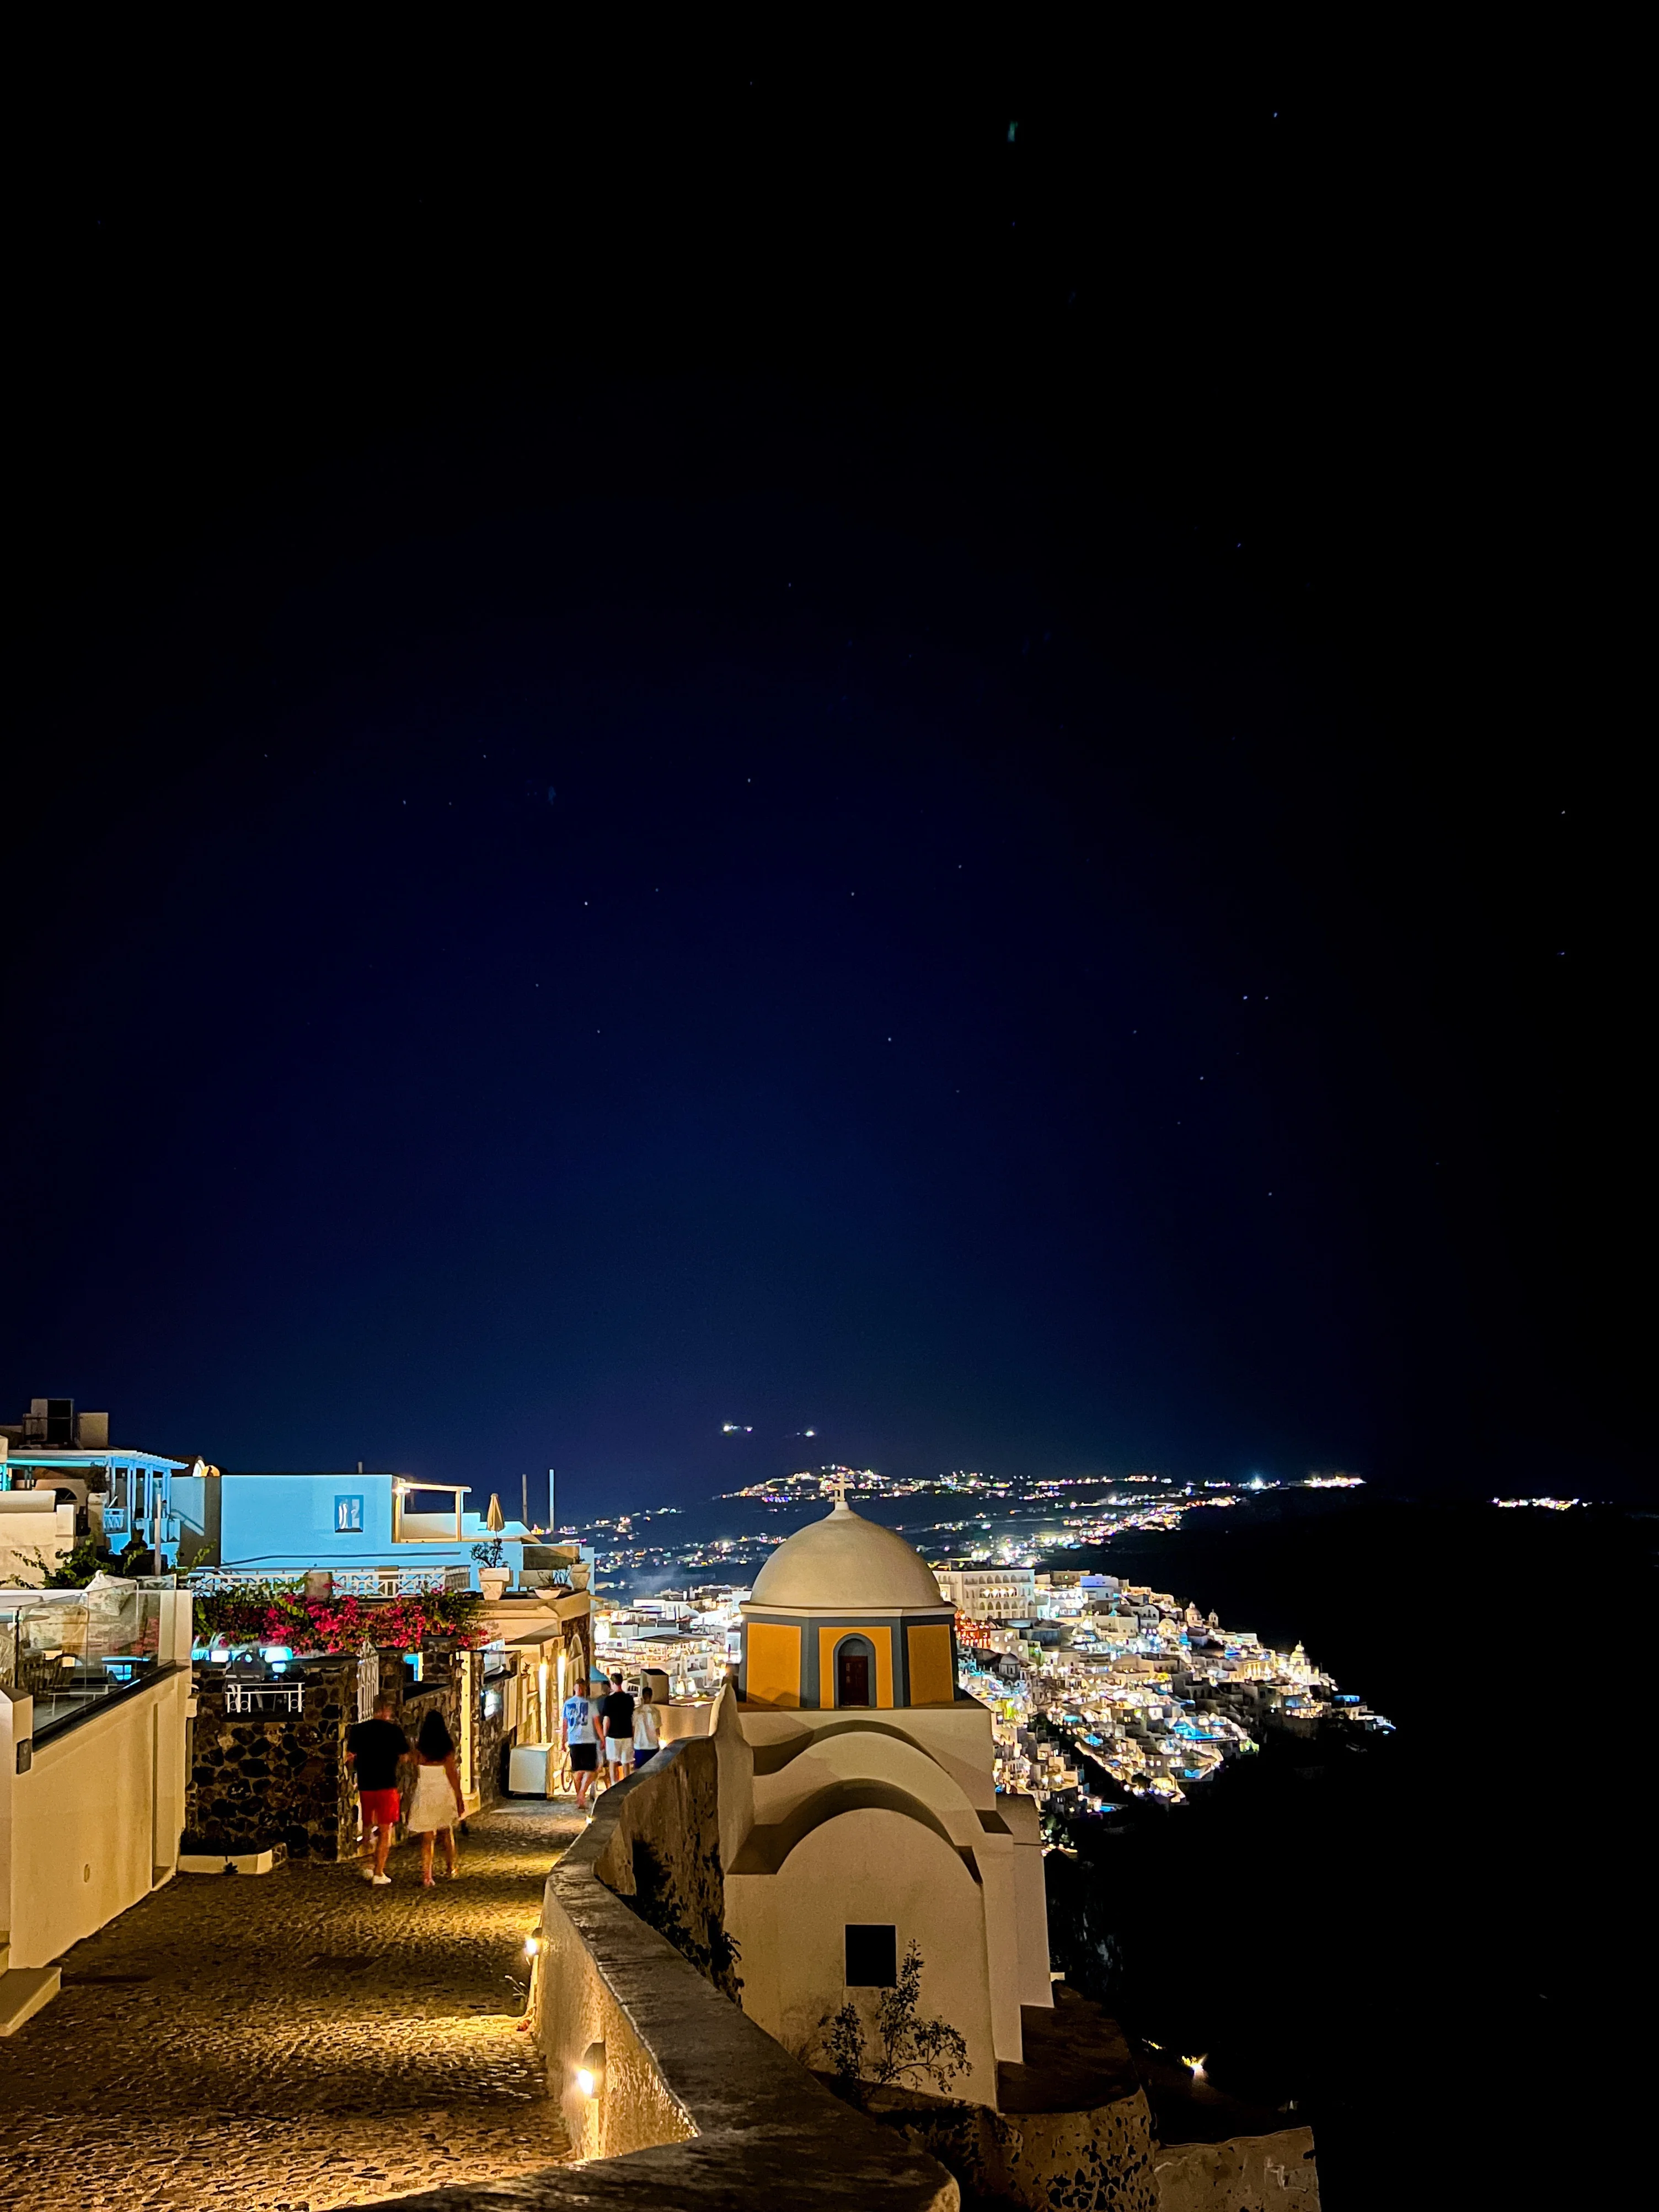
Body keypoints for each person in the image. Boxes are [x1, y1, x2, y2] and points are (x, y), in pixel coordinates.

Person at [346, 1692, 410, 1885]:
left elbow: (350, 1756)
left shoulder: (358, 1730)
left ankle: (367, 1864)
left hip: (366, 1784)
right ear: (384, 1710)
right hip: (386, 1784)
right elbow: (405, 1757)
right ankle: (379, 1872)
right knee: (385, 1830)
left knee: (367, 1826)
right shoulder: (394, 1732)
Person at [405, 1709, 466, 1886]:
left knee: (427, 1836)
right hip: (443, 1793)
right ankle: (451, 1867)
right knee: (446, 1832)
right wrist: (459, 1798)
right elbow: (453, 1776)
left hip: (425, 1793)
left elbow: (414, 1765)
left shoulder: (420, 1752)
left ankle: (427, 1875)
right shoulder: (446, 1751)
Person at [561, 1674, 600, 1811]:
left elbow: (564, 1725)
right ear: (583, 1689)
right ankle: (582, 1794)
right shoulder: (591, 1705)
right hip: (588, 1740)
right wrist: (602, 1739)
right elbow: (597, 1724)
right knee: (591, 1771)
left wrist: (563, 1741)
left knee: (577, 1771)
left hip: (574, 1741)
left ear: (574, 1688)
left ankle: (580, 1799)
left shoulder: (567, 1704)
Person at [599, 1675, 635, 1784]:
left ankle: (614, 1784)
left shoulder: (609, 1700)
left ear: (612, 1683)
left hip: (613, 1736)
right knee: (626, 1762)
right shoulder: (629, 1699)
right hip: (627, 1734)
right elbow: (631, 1718)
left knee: (613, 1761)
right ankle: (626, 1784)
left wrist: (604, 1736)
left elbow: (607, 1720)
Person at [631, 1680, 661, 1768]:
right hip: (652, 1746)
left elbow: (633, 1729)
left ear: (642, 1697)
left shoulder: (636, 1712)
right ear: (651, 1697)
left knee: (639, 1772)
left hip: (639, 1745)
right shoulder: (655, 1712)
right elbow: (658, 1731)